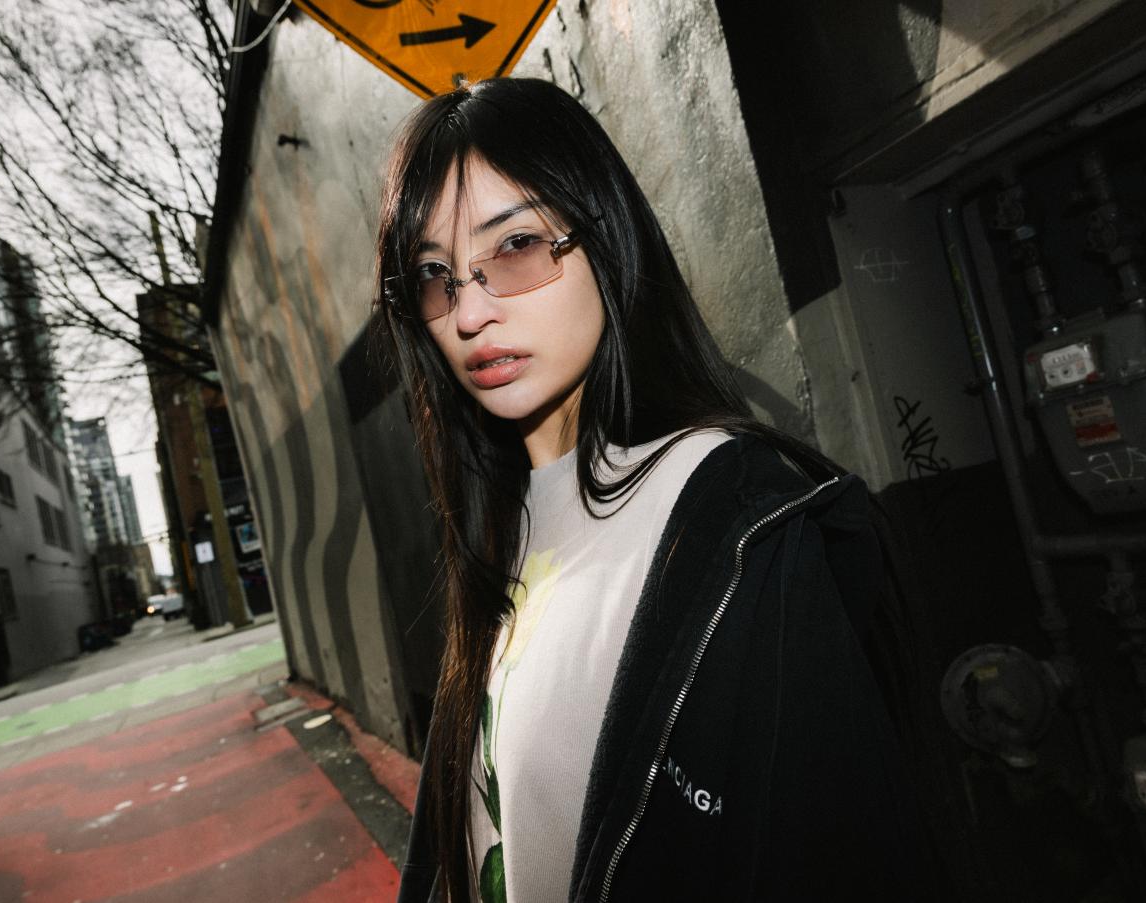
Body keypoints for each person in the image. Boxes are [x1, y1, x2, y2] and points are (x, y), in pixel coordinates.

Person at [377, 77, 933, 903]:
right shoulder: (505, 521)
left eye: (517, 245)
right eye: (436, 274)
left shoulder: (740, 520)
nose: (468, 313)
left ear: (605, 238)